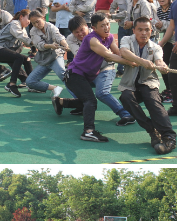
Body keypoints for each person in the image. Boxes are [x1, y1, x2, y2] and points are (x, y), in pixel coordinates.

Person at [54, 13, 136, 142]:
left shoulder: (109, 37)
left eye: (107, 24)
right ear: (94, 28)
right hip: (75, 75)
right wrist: (131, 62)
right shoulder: (91, 39)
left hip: (92, 73)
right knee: (90, 101)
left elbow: (117, 53)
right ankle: (88, 132)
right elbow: (108, 55)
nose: (106, 27)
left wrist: (135, 59)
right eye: (102, 26)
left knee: (91, 100)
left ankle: (61, 102)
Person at [118, 17, 177, 154]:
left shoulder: (156, 47)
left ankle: (169, 138)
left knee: (153, 100)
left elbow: (159, 60)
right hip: (130, 84)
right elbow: (124, 52)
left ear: (151, 31)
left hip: (148, 82)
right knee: (126, 98)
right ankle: (151, 130)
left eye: (147, 30)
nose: (144, 33)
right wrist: (142, 61)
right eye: (140, 30)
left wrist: (162, 66)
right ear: (134, 30)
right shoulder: (126, 40)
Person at [0, 9, 32, 97]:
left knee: (26, 59)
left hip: (5, 50)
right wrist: (35, 42)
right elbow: (21, 37)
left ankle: (32, 83)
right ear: (21, 17)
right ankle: (12, 84)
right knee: (19, 58)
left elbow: (27, 42)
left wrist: (41, 44)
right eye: (28, 18)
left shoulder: (22, 28)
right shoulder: (15, 23)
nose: (29, 22)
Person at [26, 9, 68, 96]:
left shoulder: (51, 26)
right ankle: (55, 88)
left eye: (37, 21)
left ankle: (79, 93)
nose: (36, 25)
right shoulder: (33, 31)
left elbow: (58, 37)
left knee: (63, 75)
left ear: (43, 18)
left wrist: (65, 44)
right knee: (30, 81)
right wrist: (50, 46)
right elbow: (39, 45)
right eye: (33, 23)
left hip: (56, 56)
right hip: (45, 59)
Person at [153, 0, 175, 101]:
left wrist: (163, 24)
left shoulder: (174, 7)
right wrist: (158, 26)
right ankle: (170, 88)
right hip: (167, 39)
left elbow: (173, 26)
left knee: (175, 66)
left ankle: (174, 91)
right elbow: (163, 29)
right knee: (163, 63)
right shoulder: (159, 10)